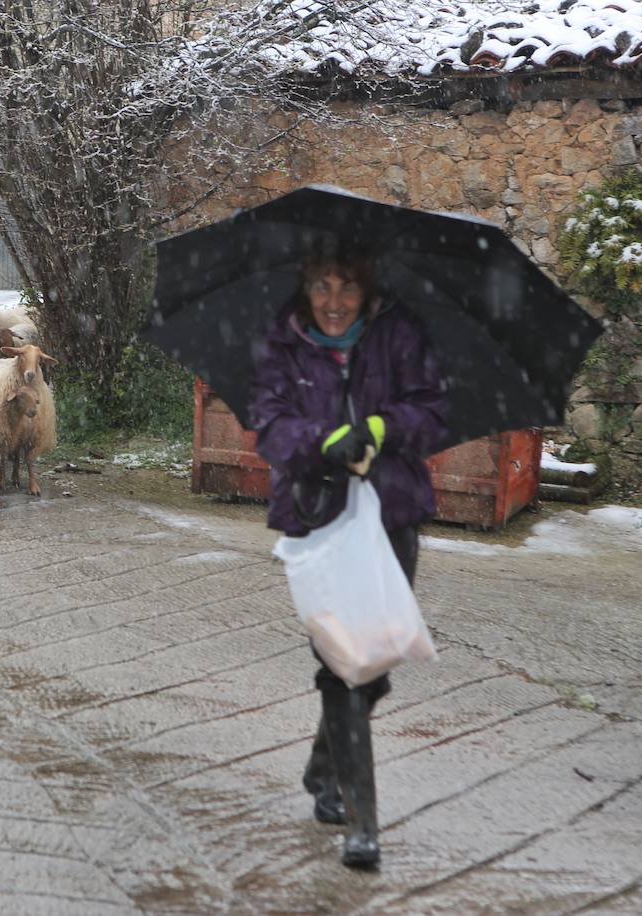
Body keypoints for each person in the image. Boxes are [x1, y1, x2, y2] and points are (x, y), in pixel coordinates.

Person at [249, 250, 447, 869]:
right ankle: (362, 821)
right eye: (321, 287)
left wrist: (385, 428)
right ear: (305, 288)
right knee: (342, 663)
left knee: (377, 661)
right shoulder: (282, 340)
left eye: (348, 287)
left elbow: (435, 410)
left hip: (392, 514)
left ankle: (320, 767)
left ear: (368, 289)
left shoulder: (401, 332)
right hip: (318, 520)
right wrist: (323, 440)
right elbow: (268, 423)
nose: (334, 302)